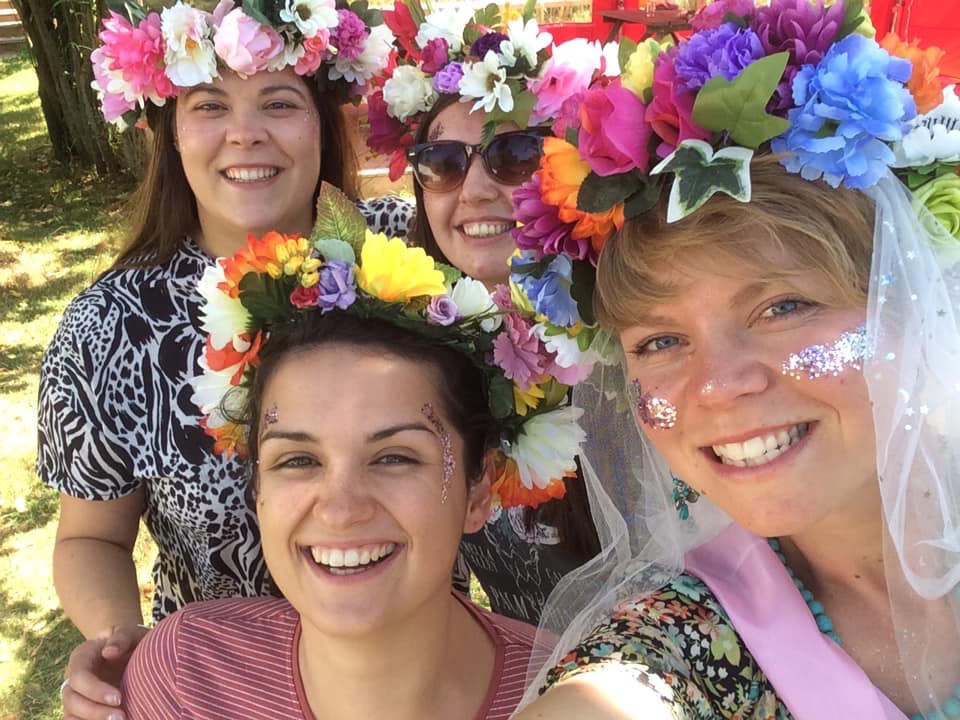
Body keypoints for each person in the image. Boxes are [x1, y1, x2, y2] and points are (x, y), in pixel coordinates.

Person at [505, 1, 960, 717]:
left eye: (782, 307)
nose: (719, 385)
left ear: (911, 298)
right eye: (659, 341)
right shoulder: (668, 654)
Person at [39, 2, 402, 718]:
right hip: (219, 693)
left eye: (278, 100)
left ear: (323, 122)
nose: (246, 133)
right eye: (210, 104)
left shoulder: (408, 264)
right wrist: (124, 646)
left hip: (418, 679)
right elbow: (90, 537)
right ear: (170, 131)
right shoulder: (108, 327)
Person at [120, 188, 591, 718]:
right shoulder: (186, 679)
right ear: (257, 489)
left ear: (479, 488)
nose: (340, 510)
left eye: (395, 457)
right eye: (298, 461)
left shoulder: (572, 700)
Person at [365, 3, 617, 623]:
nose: (475, 191)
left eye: (514, 156)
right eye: (444, 164)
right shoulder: (421, 343)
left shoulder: (632, 343)